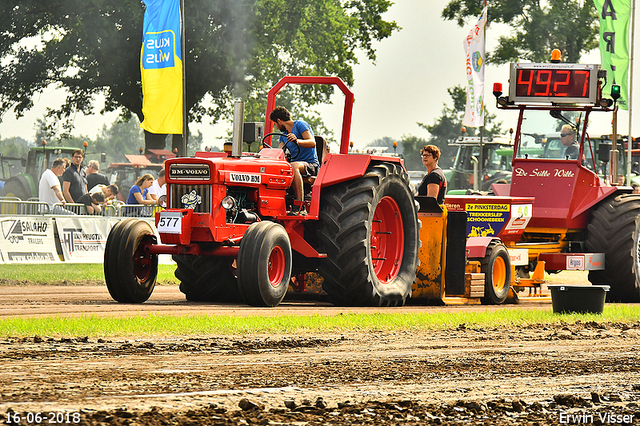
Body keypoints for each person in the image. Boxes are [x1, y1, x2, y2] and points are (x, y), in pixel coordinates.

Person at [269, 106, 319, 215]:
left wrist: (298, 140)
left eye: (275, 124)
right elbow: (280, 152)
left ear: (279, 121)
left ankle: (300, 206)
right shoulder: (283, 135)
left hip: (310, 165)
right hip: (295, 165)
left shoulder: (300, 125)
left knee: (293, 166)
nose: (276, 127)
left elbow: (312, 142)